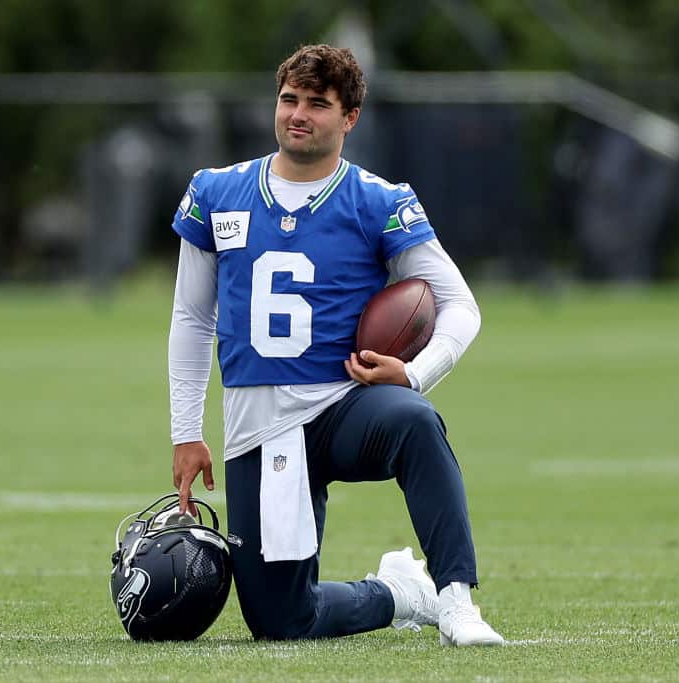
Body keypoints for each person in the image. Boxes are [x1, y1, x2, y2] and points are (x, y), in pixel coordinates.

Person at [168, 44, 503, 646]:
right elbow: (192, 318)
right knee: (279, 622)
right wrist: (186, 431)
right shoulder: (217, 191)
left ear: (349, 118)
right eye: (289, 99)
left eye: (317, 104)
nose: (298, 114)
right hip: (260, 428)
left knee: (415, 423)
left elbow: (460, 305)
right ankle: (401, 591)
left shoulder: (380, 201)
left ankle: (457, 599)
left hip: (343, 408)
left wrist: (414, 374)